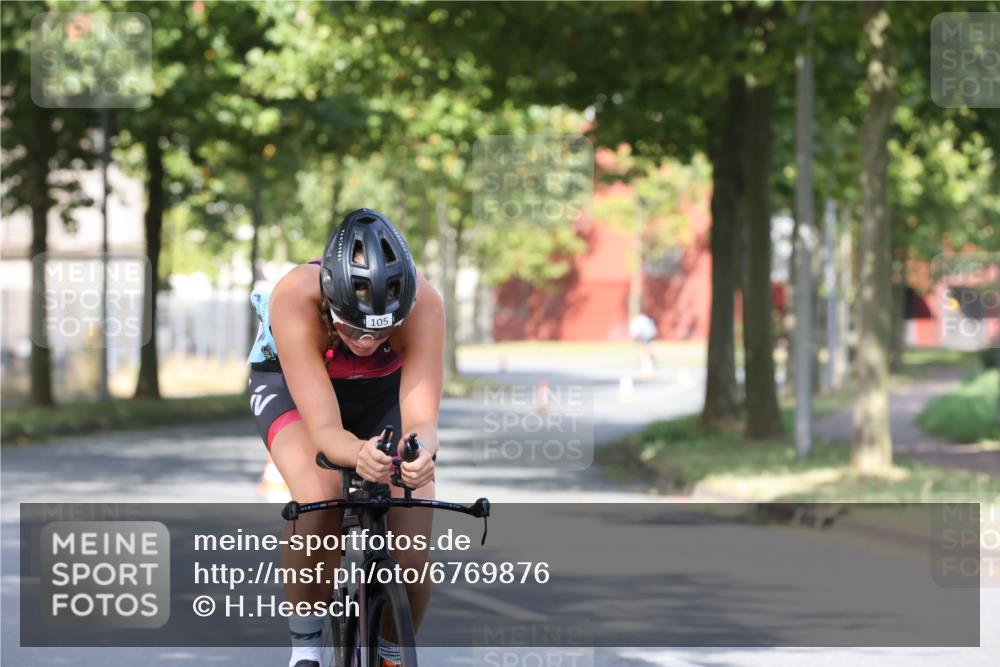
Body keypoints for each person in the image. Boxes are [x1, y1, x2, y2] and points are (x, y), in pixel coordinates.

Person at [246, 208, 444, 667]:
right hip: (294, 389)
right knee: (321, 498)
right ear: (330, 301)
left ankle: (392, 654)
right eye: (352, 327)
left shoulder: (425, 305)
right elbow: (326, 433)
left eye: (382, 330)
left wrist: (422, 455)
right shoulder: (295, 296)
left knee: (412, 538)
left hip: (380, 391)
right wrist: (357, 453)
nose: (366, 341)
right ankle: (306, 650)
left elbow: (422, 422)